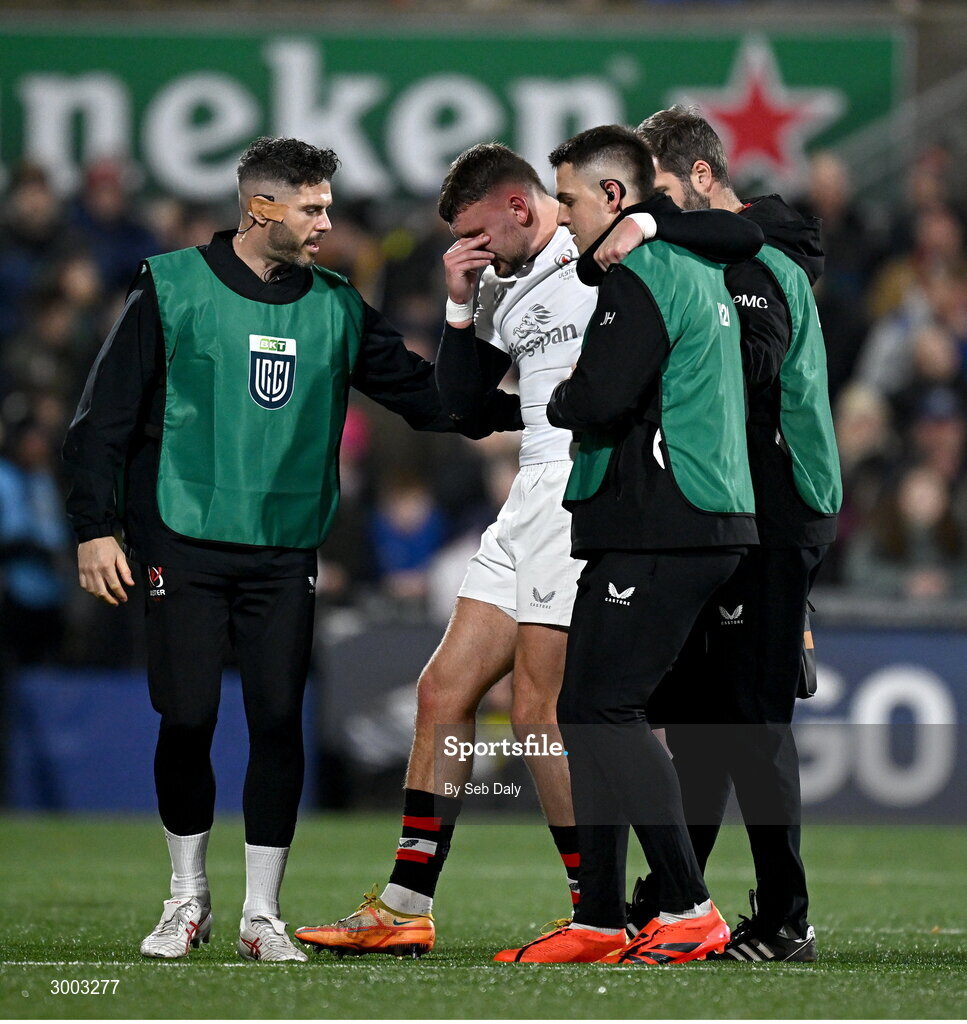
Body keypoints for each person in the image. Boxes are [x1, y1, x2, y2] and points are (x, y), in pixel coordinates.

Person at [295, 143, 762, 959]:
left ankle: (596, 913)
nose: (473, 248)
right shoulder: (497, 282)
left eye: (478, 232)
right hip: (524, 497)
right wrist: (458, 305)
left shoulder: (603, 242)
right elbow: (463, 410)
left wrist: (648, 216)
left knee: (546, 711)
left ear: (521, 207)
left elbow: (742, 233)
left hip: (584, 489)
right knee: (442, 690)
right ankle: (406, 904)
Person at [62, 136, 520, 964]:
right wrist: (97, 527)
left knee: (277, 721)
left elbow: (430, 399)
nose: (327, 222)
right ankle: (186, 897)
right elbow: (103, 419)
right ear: (259, 207)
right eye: (311, 207)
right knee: (189, 715)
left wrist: (535, 397)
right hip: (181, 534)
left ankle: (261, 914)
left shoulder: (338, 305)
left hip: (284, 547)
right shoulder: (171, 288)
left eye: (327, 206)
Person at [493, 124, 758, 966]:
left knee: (603, 710)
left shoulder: (643, 274)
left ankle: (686, 906)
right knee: (587, 710)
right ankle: (601, 918)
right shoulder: (686, 265)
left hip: (664, 521)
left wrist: (566, 396)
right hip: (672, 519)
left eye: (567, 198)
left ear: (613, 197)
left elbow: (598, 398)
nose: (559, 215)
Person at [624, 106, 842, 962]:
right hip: (730, 504)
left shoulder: (750, 259)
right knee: (706, 718)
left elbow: (750, 363)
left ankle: (786, 917)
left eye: (664, 193)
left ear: (705, 179)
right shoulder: (721, 255)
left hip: (773, 509)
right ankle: (682, 900)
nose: (654, 211)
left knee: (748, 720)